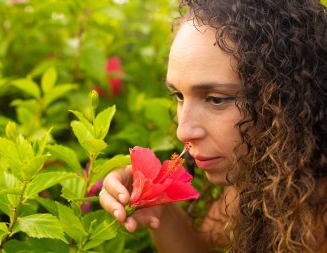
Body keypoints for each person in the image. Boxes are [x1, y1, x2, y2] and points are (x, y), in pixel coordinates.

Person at [99, 0, 327, 252]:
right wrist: (160, 210)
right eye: (179, 96)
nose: (182, 132)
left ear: (285, 98)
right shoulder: (258, 186)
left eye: (217, 99)